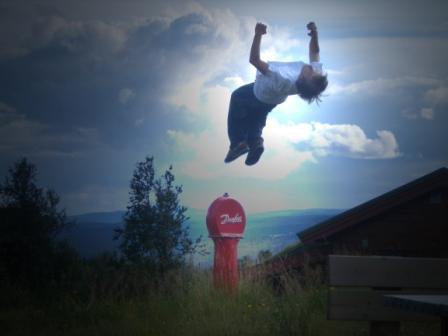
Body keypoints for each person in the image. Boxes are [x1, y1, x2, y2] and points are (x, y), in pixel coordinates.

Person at [224, 21, 328, 166]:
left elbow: (254, 60)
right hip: (273, 100)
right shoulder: (314, 77)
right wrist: (314, 34)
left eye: (310, 71)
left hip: (258, 92)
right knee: (257, 117)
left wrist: (258, 35)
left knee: (237, 97)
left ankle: (237, 143)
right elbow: (315, 53)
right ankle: (256, 142)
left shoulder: (282, 79)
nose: (312, 68)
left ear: (303, 79)